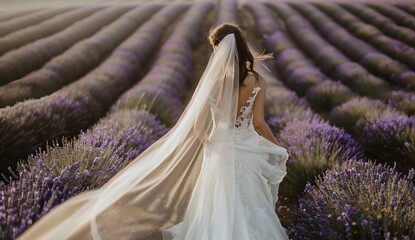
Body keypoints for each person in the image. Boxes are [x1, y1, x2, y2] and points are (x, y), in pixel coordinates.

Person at [17, 23, 289, 240]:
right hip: (246, 150)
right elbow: (259, 124)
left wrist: (212, 141)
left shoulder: (215, 82)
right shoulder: (257, 80)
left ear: (219, 50)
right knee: (250, 204)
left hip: (219, 150)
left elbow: (197, 125)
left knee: (218, 204)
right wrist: (277, 147)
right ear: (241, 46)